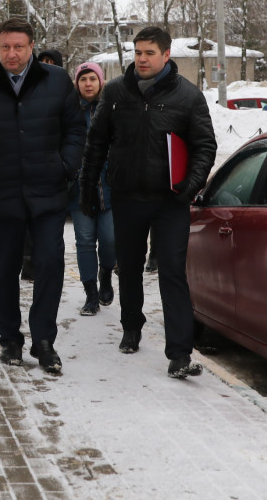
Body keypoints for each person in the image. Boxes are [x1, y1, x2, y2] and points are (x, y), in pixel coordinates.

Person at [81, 26, 217, 380]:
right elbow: (96, 143)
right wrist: (87, 186)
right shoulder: (115, 92)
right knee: (128, 268)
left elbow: (205, 146)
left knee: (172, 273)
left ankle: (179, 353)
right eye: (137, 52)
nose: (141, 59)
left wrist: (189, 188)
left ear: (166, 55)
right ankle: (131, 326)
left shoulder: (188, 97)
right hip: (126, 197)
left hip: (170, 202)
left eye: (149, 53)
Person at [0, 17, 85, 375]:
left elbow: (75, 128)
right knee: (3, 270)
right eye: (4, 47)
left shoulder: (56, 80)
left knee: (49, 265)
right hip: (2, 194)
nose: (11, 54)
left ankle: (44, 341)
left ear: (31, 46)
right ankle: (10, 340)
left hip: (47, 191)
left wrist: (65, 166)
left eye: (18, 47)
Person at [68, 62, 115, 317]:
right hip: (79, 190)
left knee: (109, 239)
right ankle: (91, 294)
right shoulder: (70, 112)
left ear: (100, 82)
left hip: (109, 186)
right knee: (85, 241)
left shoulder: (111, 108)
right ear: (77, 83)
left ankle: (105, 273)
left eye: (92, 79)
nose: (88, 84)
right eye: (83, 79)